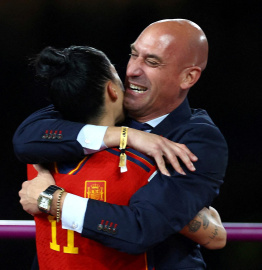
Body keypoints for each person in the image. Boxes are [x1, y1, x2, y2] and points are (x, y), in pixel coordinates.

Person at [15, 19, 228, 269]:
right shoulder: (105, 103)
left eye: (151, 62)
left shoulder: (199, 139)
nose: (131, 71)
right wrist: (124, 135)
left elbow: (140, 229)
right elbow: (26, 138)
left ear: (188, 76)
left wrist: (51, 199)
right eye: (133, 54)